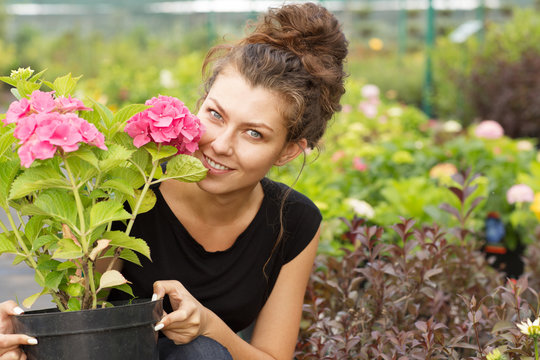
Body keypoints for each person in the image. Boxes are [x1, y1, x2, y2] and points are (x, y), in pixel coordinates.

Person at [0, 2, 348, 359]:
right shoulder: (127, 187)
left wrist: (211, 326)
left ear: (288, 151)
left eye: (254, 134)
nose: (221, 145)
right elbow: (77, 315)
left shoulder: (293, 222)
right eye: (215, 114)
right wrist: (20, 340)